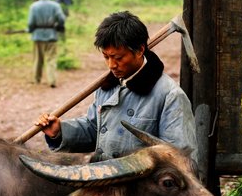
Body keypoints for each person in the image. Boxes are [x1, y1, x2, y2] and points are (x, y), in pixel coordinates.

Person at [35, 11, 198, 162]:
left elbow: (180, 158)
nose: (111, 65)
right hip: (103, 179)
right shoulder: (107, 86)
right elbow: (95, 130)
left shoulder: (169, 95)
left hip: (141, 188)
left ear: (140, 50)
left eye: (118, 57)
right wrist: (59, 132)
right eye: (106, 57)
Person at [27, 0, 66, 88]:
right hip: (51, 35)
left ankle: (36, 79)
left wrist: (30, 30)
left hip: (37, 36)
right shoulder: (55, 5)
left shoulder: (34, 6)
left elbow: (31, 23)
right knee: (51, 59)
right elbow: (61, 19)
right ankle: (52, 81)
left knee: (38, 59)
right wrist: (58, 26)